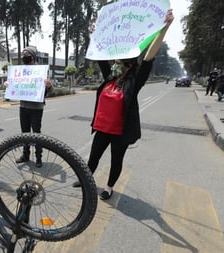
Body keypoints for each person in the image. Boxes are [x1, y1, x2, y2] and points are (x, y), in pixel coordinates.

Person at [73, 10, 175, 200]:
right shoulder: (110, 77)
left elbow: (148, 58)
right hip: (102, 128)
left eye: (118, 57)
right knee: (93, 157)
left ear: (127, 62)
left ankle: (109, 187)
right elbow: (101, 55)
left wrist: (165, 27)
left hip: (121, 131)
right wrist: (96, 34)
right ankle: (86, 179)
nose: (114, 60)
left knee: (115, 160)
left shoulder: (134, 81)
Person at [4, 47, 53, 168]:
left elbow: (49, 90)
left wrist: (49, 86)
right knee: (24, 133)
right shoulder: (20, 71)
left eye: (26, 54)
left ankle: (38, 157)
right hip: (23, 106)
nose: (23, 56)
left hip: (36, 108)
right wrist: (7, 85)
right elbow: (15, 86)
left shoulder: (40, 71)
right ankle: (25, 155)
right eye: (22, 54)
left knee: (36, 134)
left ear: (32, 56)